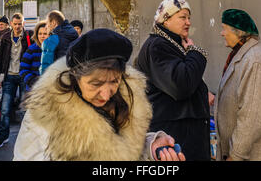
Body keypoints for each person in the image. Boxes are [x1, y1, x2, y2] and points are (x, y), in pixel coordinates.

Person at [13, 28, 186, 161]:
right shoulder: (44, 113)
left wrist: (150, 146)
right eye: (96, 84)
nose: (106, 93)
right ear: (76, 79)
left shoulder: (124, 101)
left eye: (114, 81)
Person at [136, 0, 212, 161]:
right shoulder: (158, 45)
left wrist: (202, 92)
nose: (188, 23)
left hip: (182, 136)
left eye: (189, 18)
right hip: (174, 139)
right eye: (182, 17)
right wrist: (194, 53)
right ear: (166, 20)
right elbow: (181, 85)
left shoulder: (172, 44)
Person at [214, 9, 261, 161]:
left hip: (255, 154)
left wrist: (235, 155)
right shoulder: (241, 54)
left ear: (238, 32)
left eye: (224, 28)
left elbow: (253, 117)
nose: (222, 33)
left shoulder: (254, 60)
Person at [0, 13, 30, 149]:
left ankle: (27, 138)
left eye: (20, 24)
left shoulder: (28, 37)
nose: (17, 26)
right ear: (11, 24)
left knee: (25, 109)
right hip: (8, 76)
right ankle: (3, 136)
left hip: (23, 76)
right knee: (5, 109)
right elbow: (1, 59)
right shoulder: (6, 38)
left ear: (23, 24)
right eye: (15, 24)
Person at [40, 10, 78, 75]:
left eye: (47, 23)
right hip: (74, 76)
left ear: (54, 23)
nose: (46, 26)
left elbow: (45, 67)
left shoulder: (51, 40)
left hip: (57, 78)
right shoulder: (75, 36)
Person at [20, 21, 48, 91]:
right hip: (33, 90)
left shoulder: (55, 49)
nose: (42, 36)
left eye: (45, 34)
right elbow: (23, 68)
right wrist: (32, 81)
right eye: (40, 34)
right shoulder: (32, 49)